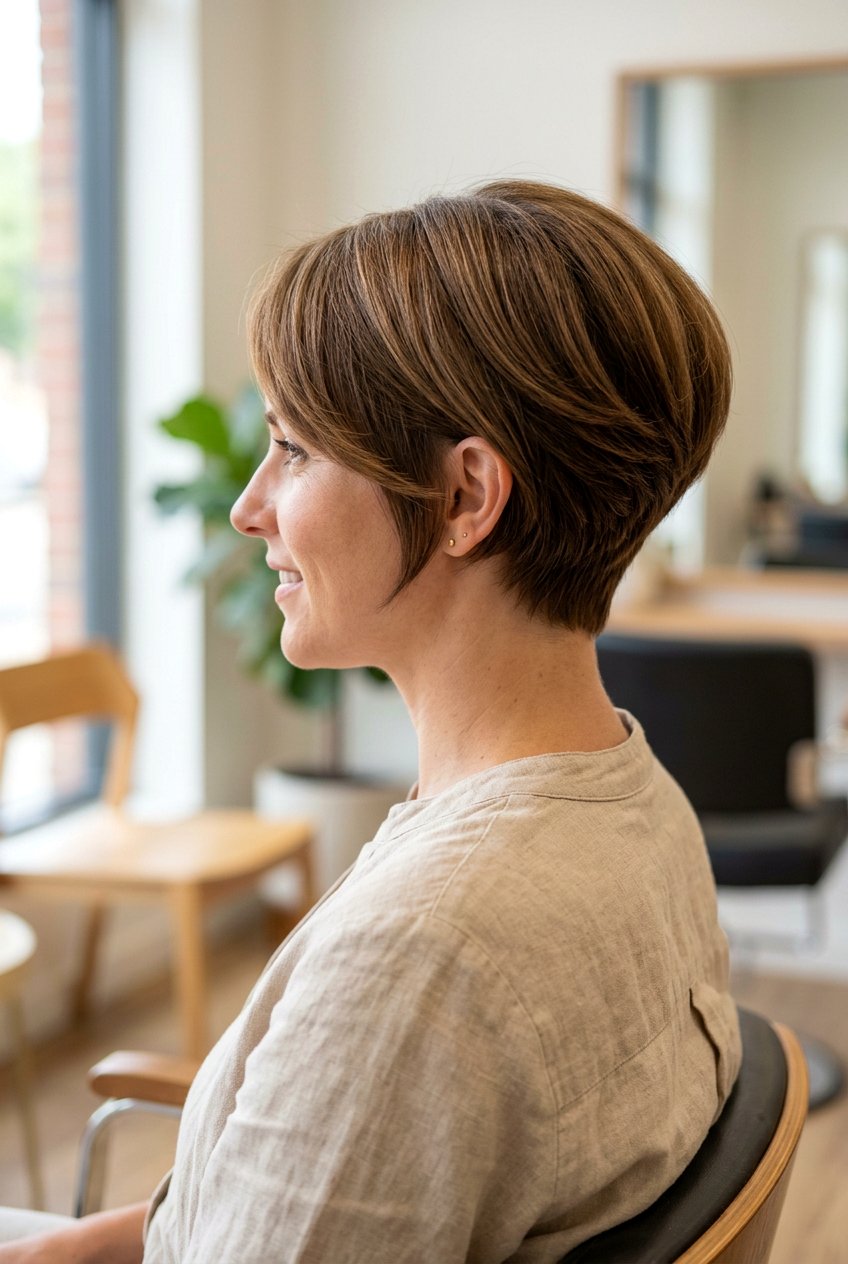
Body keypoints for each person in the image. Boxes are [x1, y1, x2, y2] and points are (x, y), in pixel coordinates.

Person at [0, 180, 740, 1262]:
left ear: (462, 500)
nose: (251, 505)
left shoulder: (420, 960)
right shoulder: (635, 800)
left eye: (294, 450)